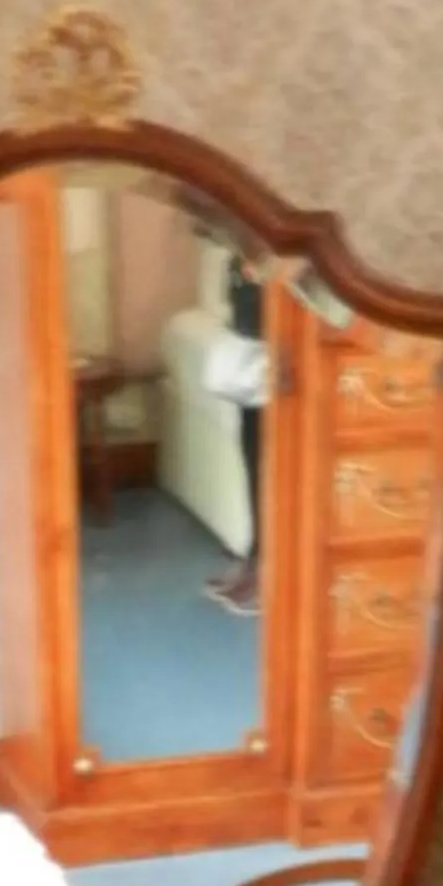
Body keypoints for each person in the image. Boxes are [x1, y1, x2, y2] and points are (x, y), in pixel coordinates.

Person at [205, 249, 268, 617]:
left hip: (286, 359)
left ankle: (267, 570)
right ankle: (256, 558)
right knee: (255, 465)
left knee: (270, 471)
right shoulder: (246, 250)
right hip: (257, 360)